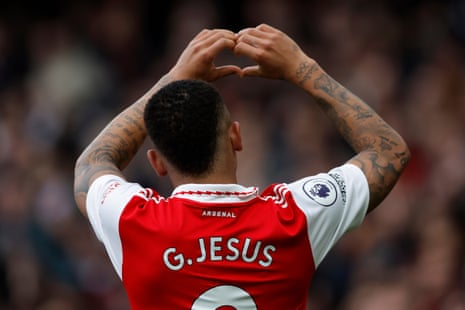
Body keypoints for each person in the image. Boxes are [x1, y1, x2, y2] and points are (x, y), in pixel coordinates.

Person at [74, 24, 410, 309]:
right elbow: (388, 153)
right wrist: (304, 69)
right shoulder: (295, 216)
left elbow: (92, 162)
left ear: (157, 162)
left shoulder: (132, 221)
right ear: (236, 136)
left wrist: (172, 79)